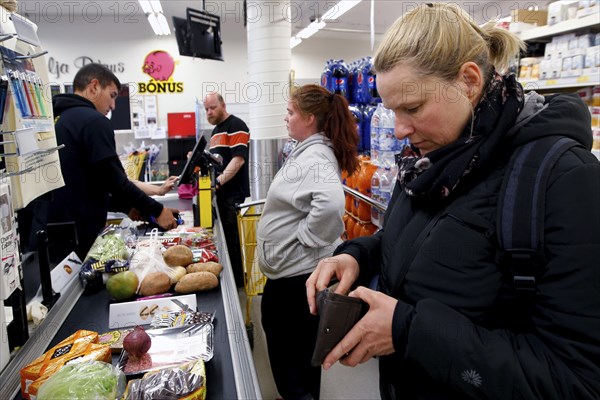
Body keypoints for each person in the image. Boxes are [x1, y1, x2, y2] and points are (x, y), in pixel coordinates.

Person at [306, 3, 600, 400]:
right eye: (392, 110)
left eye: (412, 108)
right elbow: (412, 240)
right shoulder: (427, 162)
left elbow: (576, 379)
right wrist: (358, 255)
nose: (399, 130)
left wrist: (407, 330)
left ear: (468, 80)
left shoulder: (564, 180)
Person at [257, 84, 359, 400]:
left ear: (310, 118)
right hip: (291, 281)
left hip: (295, 286)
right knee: (297, 370)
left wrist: (306, 240)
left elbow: (330, 205)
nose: (285, 118)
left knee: (294, 375)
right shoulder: (308, 151)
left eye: (290, 113)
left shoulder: (315, 156)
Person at [44, 63, 178, 259]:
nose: (113, 106)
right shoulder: (94, 121)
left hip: (53, 234)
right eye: (113, 95)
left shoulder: (58, 119)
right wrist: (157, 210)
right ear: (94, 87)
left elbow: (87, 183)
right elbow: (116, 181)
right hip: (82, 235)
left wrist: (128, 207)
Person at [204, 92, 250, 288]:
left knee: (232, 241)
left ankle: (238, 285)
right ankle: (231, 280)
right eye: (206, 109)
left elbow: (238, 160)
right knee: (224, 240)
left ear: (223, 105)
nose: (209, 112)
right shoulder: (215, 132)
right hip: (220, 194)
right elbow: (218, 161)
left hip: (231, 194)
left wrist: (218, 182)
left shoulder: (236, 125)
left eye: (212, 107)